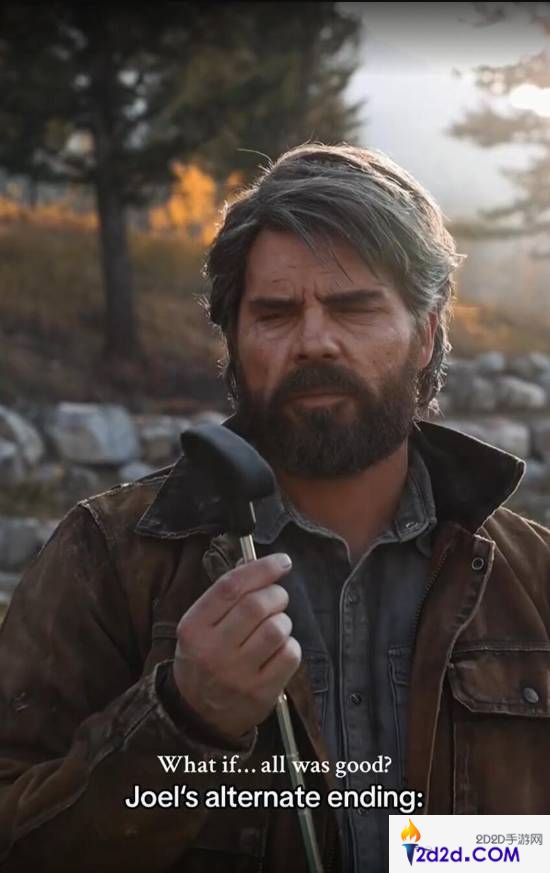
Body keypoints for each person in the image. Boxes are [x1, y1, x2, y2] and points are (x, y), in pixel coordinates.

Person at [0, 143, 549, 873]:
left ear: (425, 334)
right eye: (276, 313)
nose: (315, 341)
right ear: (234, 341)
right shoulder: (109, 558)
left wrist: (432, 856)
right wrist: (183, 720)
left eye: (354, 307)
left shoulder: (533, 578)